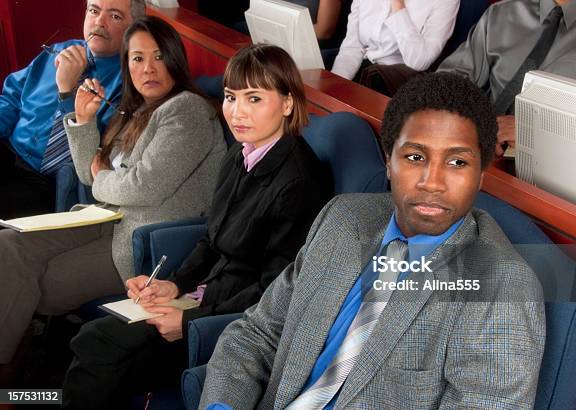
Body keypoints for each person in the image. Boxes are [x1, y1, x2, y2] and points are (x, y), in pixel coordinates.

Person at [199, 72, 546, 409]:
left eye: (457, 162)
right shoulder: (342, 219)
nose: (432, 181)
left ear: (481, 176)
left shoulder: (502, 288)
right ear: (389, 163)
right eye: (415, 157)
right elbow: (257, 335)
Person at [61, 44, 330, 409]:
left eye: (254, 99)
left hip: (228, 324)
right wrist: (173, 283)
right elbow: (212, 238)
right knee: (96, 341)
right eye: (231, 97)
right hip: (202, 297)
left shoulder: (299, 182)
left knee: (99, 346)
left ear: (286, 103)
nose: (237, 112)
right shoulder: (242, 152)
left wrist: (190, 321)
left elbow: (274, 291)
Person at [0, 16, 226, 378]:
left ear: (174, 59)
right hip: (105, 220)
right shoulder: (137, 110)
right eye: (137, 59)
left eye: (157, 56)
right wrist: (84, 120)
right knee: (7, 246)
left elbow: (140, 185)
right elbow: (90, 172)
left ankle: (13, 378)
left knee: (39, 284)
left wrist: (101, 177)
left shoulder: (187, 111)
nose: (148, 68)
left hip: (143, 241)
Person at [0, 0, 146, 219]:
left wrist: (67, 93)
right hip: (9, 151)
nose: (99, 22)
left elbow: (99, 150)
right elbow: (11, 98)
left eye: (114, 16)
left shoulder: (133, 83)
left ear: (135, 28)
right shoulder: (59, 50)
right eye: (94, 11)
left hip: (48, 183)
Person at [438, 0, 576, 157]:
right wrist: (476, 123)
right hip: (475, 154)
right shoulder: (501, 13)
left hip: (556, 172)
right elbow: (444, 84)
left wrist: (535, 132)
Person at [331, 0, 460, 96]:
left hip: (397, 82)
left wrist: (398, 5)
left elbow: (419, 61)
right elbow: (351, 47)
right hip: (362, 67)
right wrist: (334, 88)